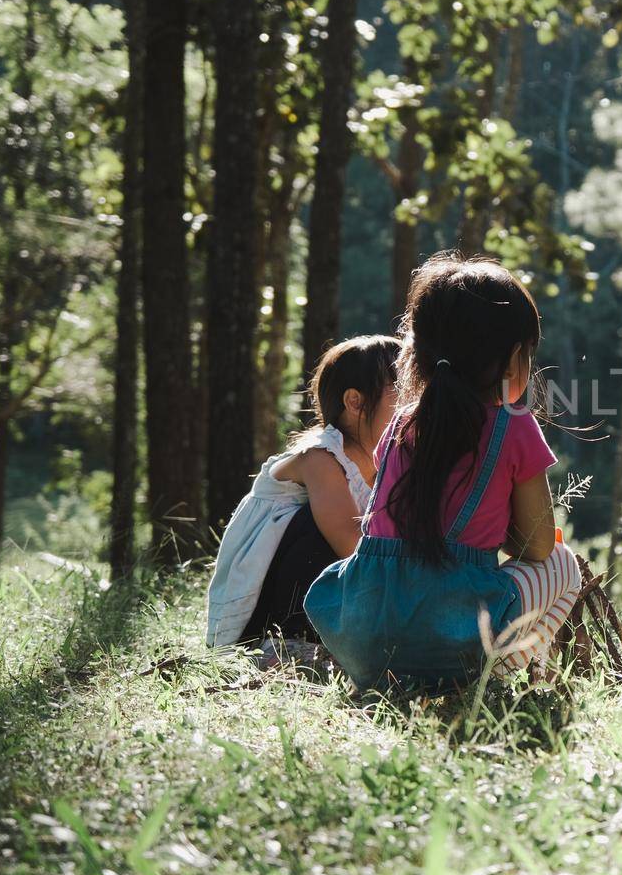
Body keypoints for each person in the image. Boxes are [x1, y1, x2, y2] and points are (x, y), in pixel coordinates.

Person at [304, 254, 582, 688]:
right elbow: (539, 545)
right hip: (455, 637)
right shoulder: (513, 423)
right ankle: (492, 679)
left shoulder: (400, 423)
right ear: (512, 363)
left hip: (367, 640)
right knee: (564, 565)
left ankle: (403, 679)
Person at [206, 335, 400, 648]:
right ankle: (291, 640)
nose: (414, 406)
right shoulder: (321, 458)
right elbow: (352, 545)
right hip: (257, 614)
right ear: (355, 402)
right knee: (323, 530)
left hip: (308, 592)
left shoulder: (386, 463)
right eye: (401, 392)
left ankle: (328, 639)